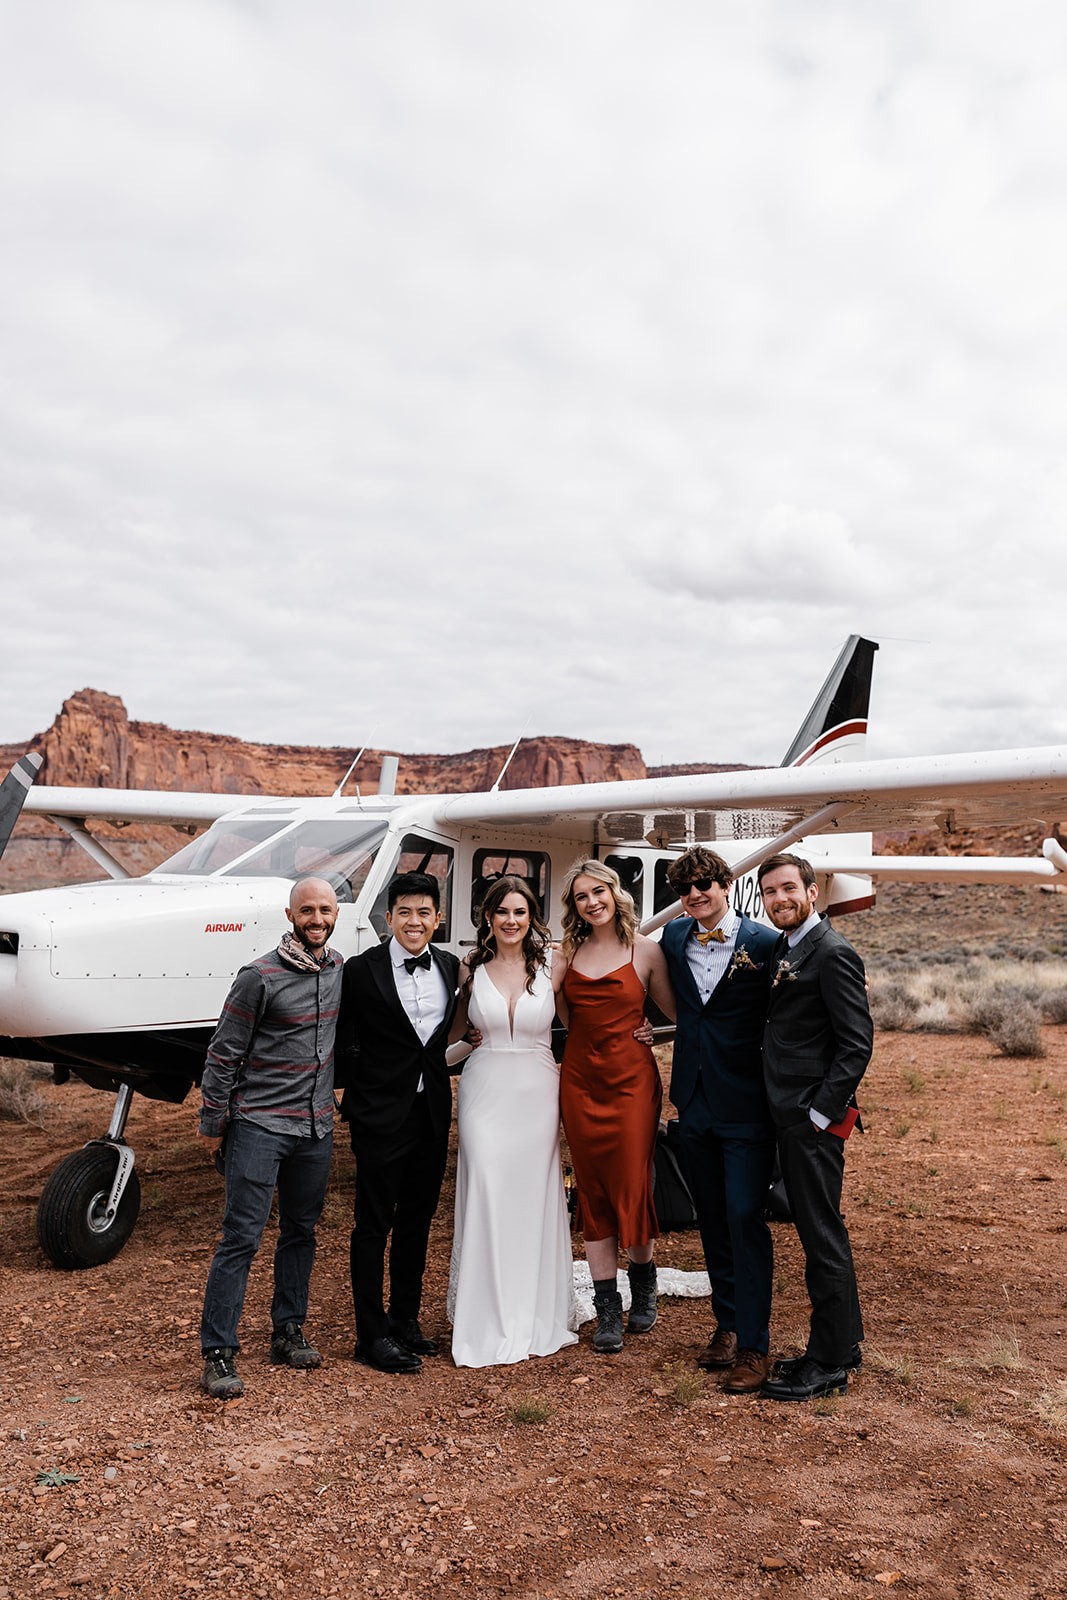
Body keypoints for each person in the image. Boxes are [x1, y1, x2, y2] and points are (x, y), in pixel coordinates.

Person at [197, 877, 342, 1401]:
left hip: (315, 1129)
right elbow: (223, 1054)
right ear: (290, 914)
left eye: (325, 909)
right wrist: (213, 1126)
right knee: (240, 1238)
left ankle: (288, 1330)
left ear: (335, 914)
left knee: (301, 1233)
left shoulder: (338, 970)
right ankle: (218, 1352)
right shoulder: (258, 977)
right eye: (308, 910)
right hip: (259, 1126)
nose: (317, 919)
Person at [446, 876, 578, 1367]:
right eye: (502, 911)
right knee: (485, 1186)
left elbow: (579, 1026)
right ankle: (482, 1313)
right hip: (484, 1089)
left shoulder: (554, 966)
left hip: (539, 1092)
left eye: (520, 912)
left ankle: (534, 1310)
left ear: (532, 918)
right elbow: (451, 1033)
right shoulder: (468, 968)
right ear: (487, 917)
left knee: (532, 1198)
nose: (511, 920)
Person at [662, 846, 779, 1395]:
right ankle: (728, 1328)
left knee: (743, 1216)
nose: (694, 895)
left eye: (704, 884)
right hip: (693, 1098)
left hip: (748, 1101)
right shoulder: (673, 939)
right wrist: (651, 1031)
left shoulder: (764, 943)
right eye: (686, 888)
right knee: (710, 1217)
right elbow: (678, 1007)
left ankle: (756, 1346)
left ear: (725, 885)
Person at [757, 852, 873, 1402]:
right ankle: (842, 1343)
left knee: (821, 1235)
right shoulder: (784, 946)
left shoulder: (832, 953)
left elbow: (856, 1044)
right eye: (769, 892)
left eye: (787, 889)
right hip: (787, 1113)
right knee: (816, 1230)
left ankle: (827, 1363)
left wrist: (819, 1115)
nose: (779, 899)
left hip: (811, 1121)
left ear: (811, 891)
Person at [336, 871, 460, 1374]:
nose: (415, 921)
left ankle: (405, 1321)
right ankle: (371, 1335)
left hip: (430, 1113)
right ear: (388, 918)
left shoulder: (451, 966)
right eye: (405, 912)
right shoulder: (361, 970)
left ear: (438, 918)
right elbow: (344, 1041)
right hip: (378, 1116)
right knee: (373, 1224)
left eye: (424, 913)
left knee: (417, 1221)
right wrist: (352, 1101)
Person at [555, 858, 675, 1354]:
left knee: (631, 1183)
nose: (592, 902)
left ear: (614, 892)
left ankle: (643, 1284)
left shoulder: (646, 950)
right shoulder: (567, 952)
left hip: (632, 1083)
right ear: (574, 906)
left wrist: (654, 1032)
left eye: (597, 892)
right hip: (581, 1081)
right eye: (581, 897)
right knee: (593, 1189)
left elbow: (678, 1014)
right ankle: (608, 1308)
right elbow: (561, 1016)